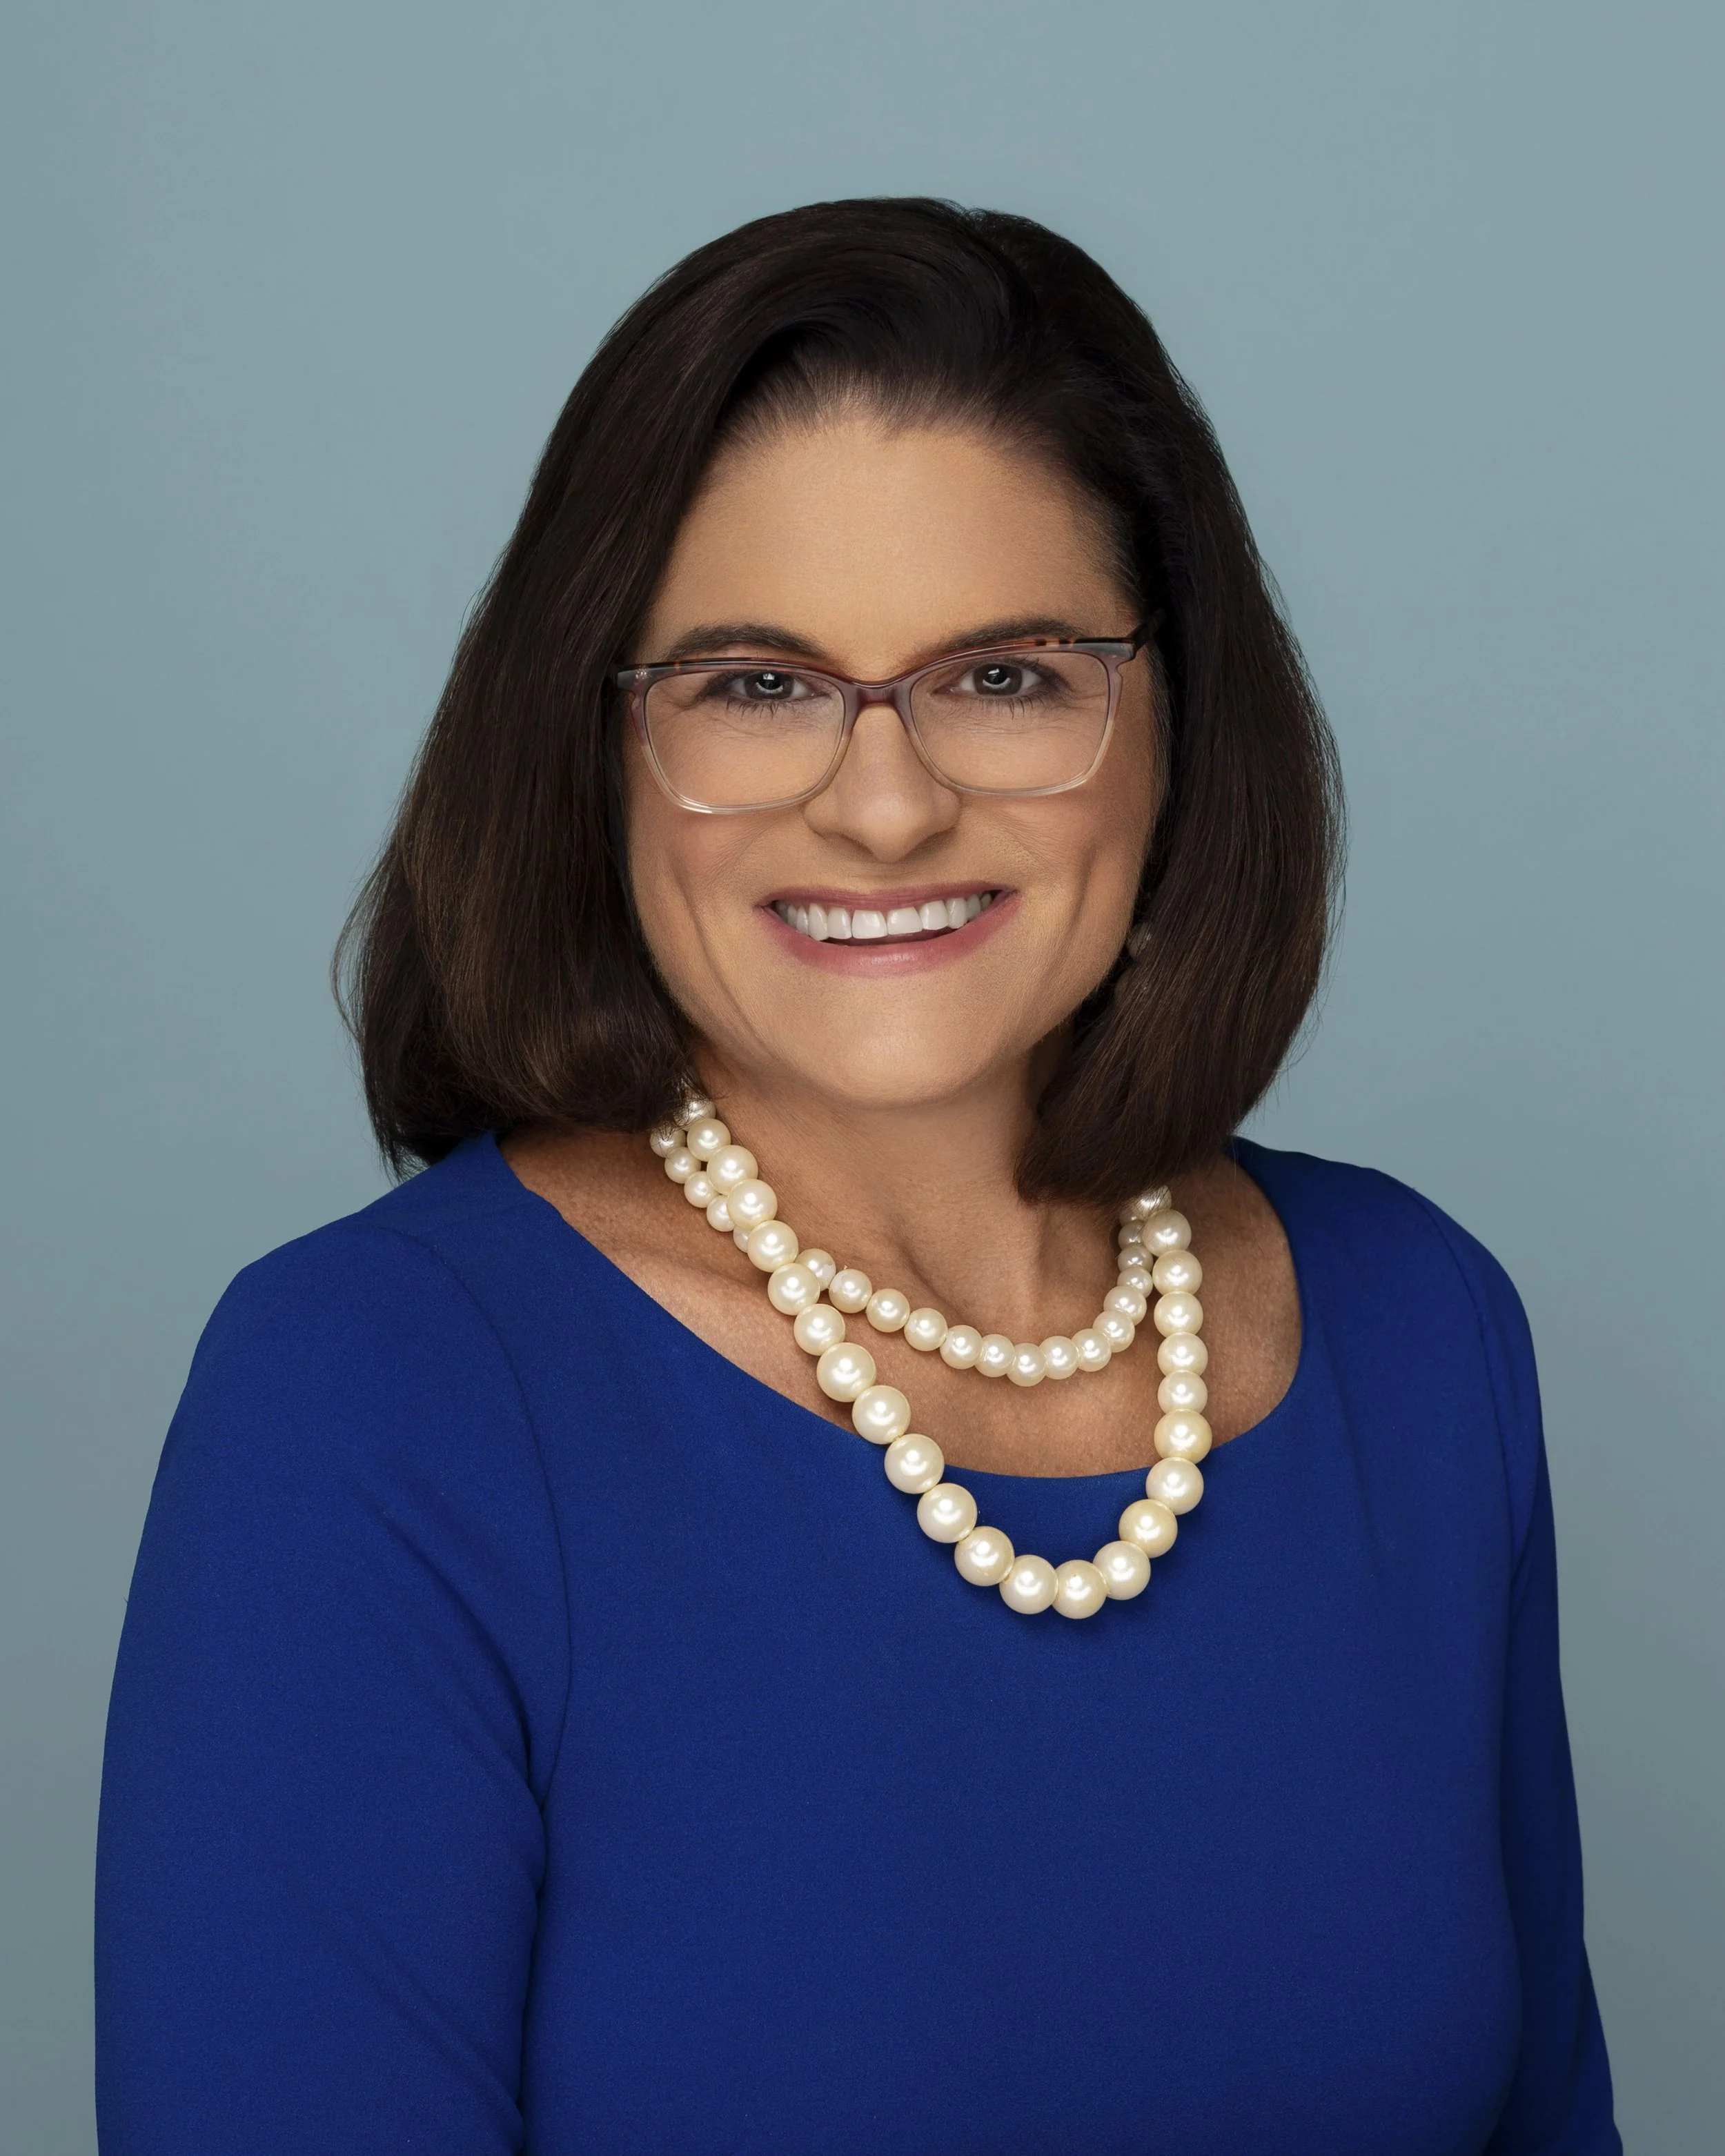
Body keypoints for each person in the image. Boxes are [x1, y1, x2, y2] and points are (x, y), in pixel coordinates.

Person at [95, 198, 1619, 2154]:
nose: (884, 803)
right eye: (754, 681)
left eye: (1003, 675)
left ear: (1168, 725)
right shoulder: (377, 1398)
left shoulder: (1421, 1334)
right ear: (598, 750)